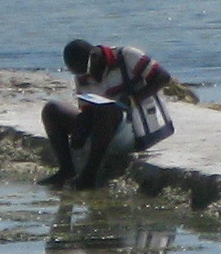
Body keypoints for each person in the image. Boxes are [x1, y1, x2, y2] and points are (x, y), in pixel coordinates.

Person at [44, 37, 179, 191]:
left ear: (94, 56)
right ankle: (67, 170)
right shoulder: (82, 75)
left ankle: (89, 175)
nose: (85, 76)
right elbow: (87, 108)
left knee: (105, 108)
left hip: (133, 128)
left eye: (85, 71)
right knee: (52, 109)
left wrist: (133, 99)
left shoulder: (127, 56)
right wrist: (81, 127)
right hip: (103, 130)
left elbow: (163, 77)